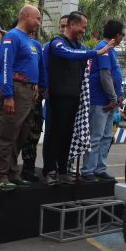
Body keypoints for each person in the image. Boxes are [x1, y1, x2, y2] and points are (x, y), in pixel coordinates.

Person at [42, 11, 111, 185]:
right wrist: (96, 52)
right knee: (54, 134)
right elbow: (69, 54)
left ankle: (64, 170)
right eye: (82, 26)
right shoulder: (57, 43)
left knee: (68, 134)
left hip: (75, 98)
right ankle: (50, 170)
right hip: (57, 97)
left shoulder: (80, 47)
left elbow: (82, 65)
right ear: (72, 25)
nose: (83, 30)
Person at [0, 5, 46, 191]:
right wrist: (7, 95)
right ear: (24, 16)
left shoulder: (33, 43)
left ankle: (13, 173)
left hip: (30, 92)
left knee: (21, 135)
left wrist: (38, 85)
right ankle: (0, 176)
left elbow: (38, 68)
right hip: (16, 90)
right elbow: (5, 66)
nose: (38, 23)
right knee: (7, 134)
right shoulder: (12, 37)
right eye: (36, 18)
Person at [82, 20, 124, 183]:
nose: (122, 37)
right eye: (122, 34)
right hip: (101, 100)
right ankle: (88, 170)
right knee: (96, 136)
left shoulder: (111, 51)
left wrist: (119, 96)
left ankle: (100, 168)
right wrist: (113, 98)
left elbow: (114, 75)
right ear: (117, 35)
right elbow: (105, 76)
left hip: (110, 101)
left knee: (106, 136)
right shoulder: (103, 48)